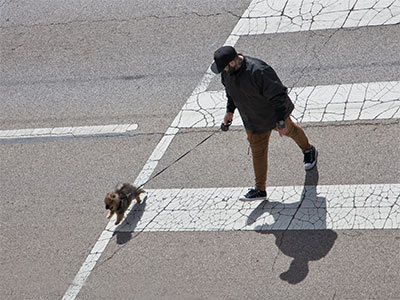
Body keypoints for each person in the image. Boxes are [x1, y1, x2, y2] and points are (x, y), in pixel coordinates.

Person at [211, 46, 317, 201]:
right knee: (258, 152)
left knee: (291, 131)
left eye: (224, 68)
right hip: (252, 120)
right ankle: (260, 189)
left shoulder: (259, 71)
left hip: (273, 115)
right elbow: (231, 92)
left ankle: (309, 151)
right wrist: (229, 111)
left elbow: (279, 95)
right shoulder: (227, 74)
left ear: (232, 63)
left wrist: (280, 122)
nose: (222, 71)